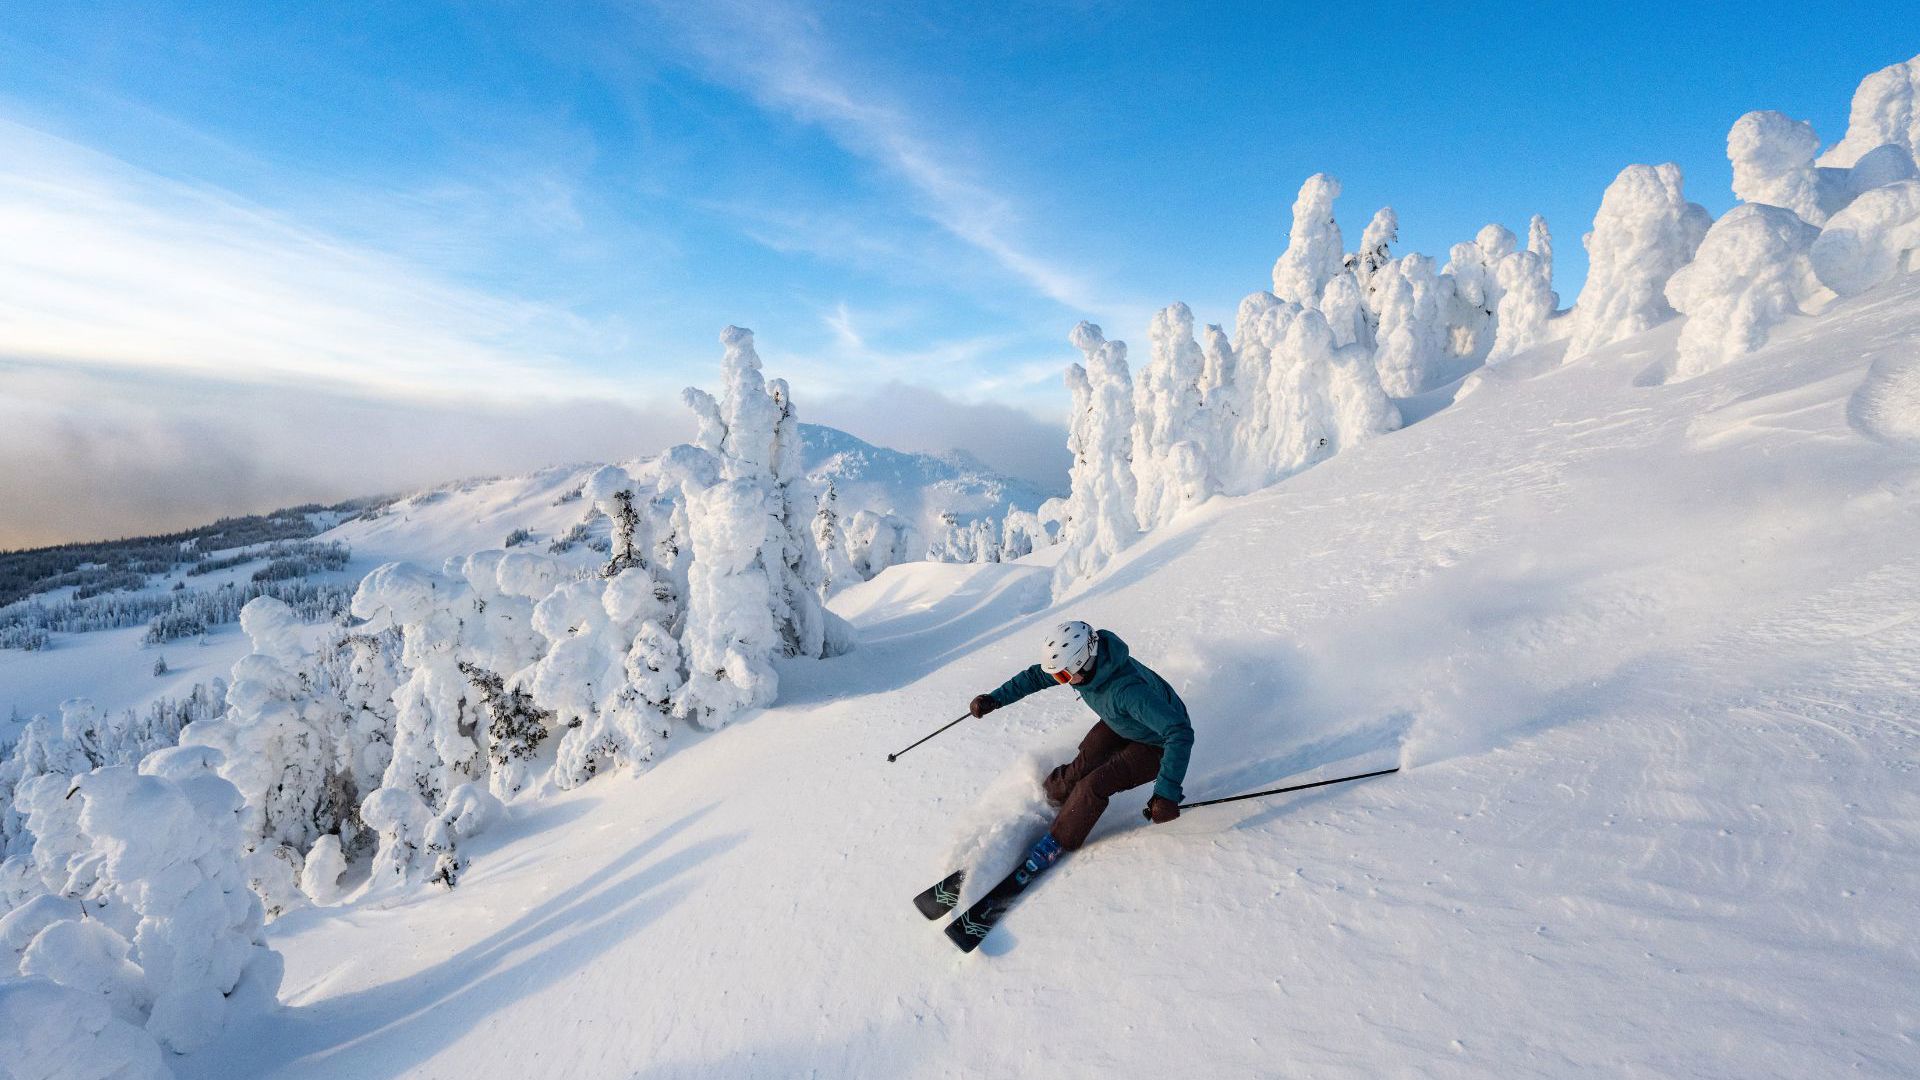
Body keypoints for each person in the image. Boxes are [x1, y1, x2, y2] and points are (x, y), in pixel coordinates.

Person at [968, 620, 1195, 870]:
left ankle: (1056, 842)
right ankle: (1046, 800)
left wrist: (1166, 794)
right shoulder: (1085, 667)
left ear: (1083, 662)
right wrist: (995, 699)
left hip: (1157, 744)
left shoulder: (1128, 691)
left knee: (1094, 784)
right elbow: (1035, 677)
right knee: (1083, 763)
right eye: (1056, 675)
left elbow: (1179, 732)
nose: (1059, 680)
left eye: (1063, 675)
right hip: (1123, 721)